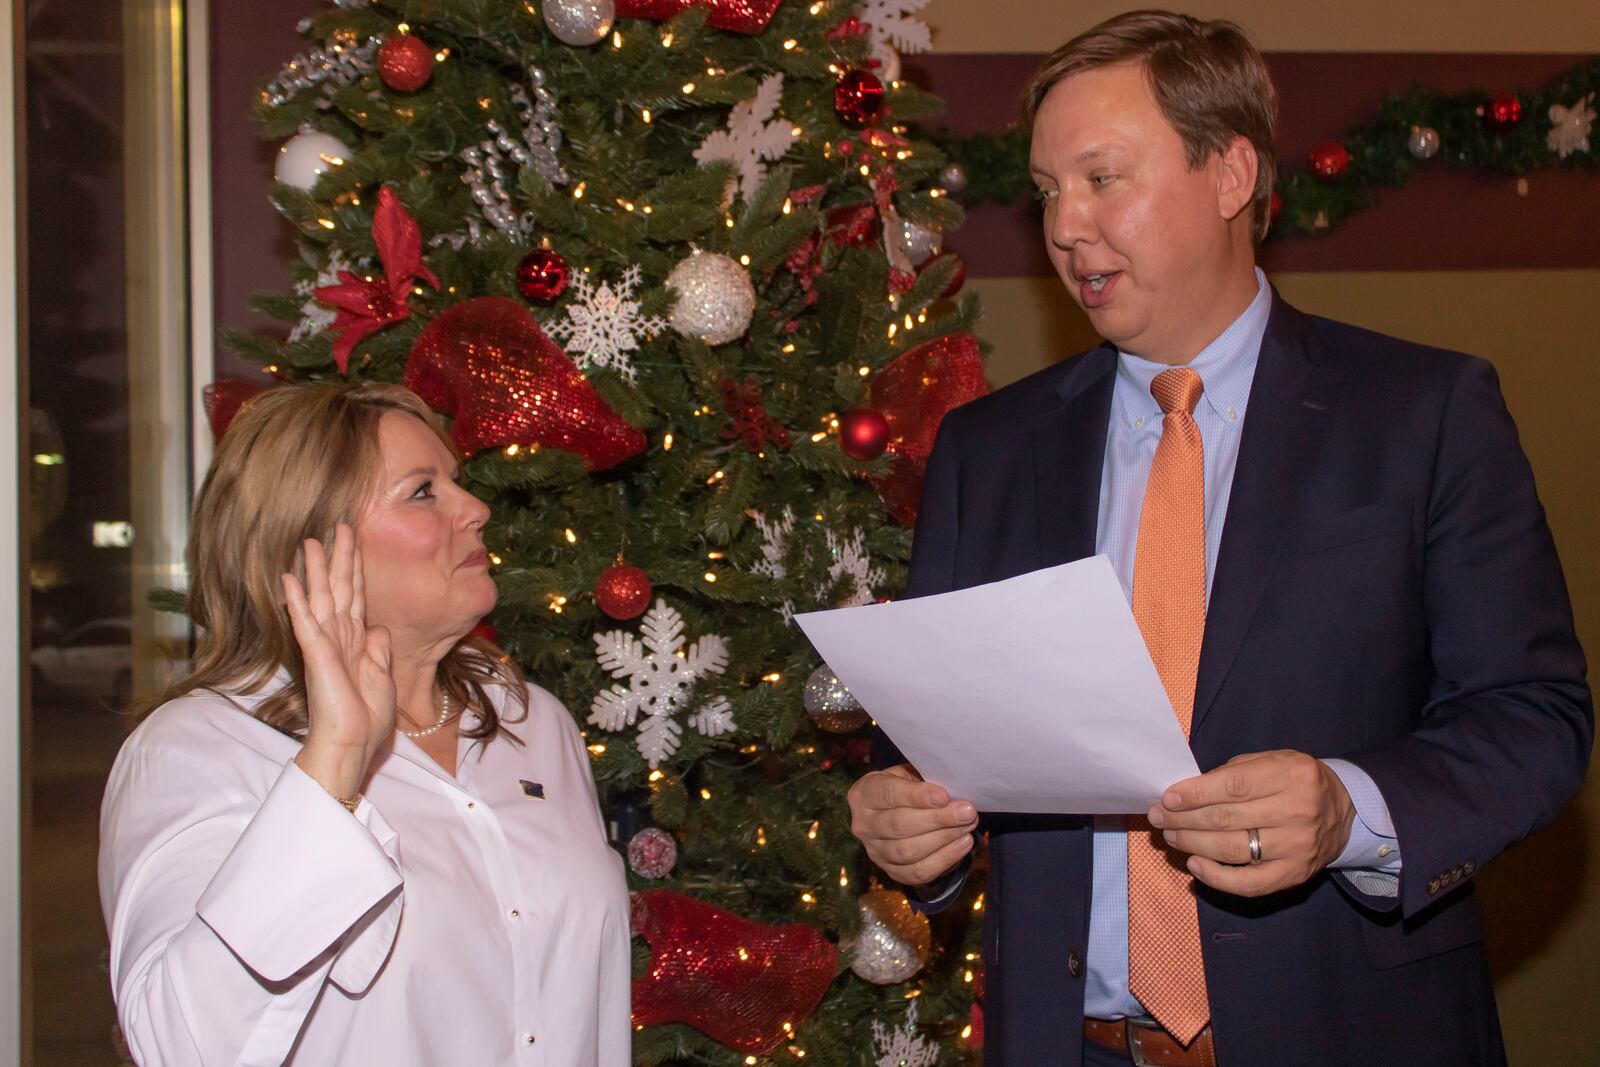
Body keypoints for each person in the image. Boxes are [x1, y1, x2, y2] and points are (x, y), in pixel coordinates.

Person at [846, 11, 1592, 1066]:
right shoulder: (989, 450)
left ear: (1231, 172)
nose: (1064, 226)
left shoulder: (1424, 413)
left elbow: (1533, 717)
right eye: (1048, 190)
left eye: (1102, 178)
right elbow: (929, 749)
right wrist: (905, 829)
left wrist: (1349, 810)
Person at [99, 383, 631, 1066]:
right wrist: (336, 761)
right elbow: (176, 1046)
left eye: (457, 482)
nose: (476, 509)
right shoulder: (196, 747)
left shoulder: (533, 723)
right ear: (310, 545)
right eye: (422, 491)